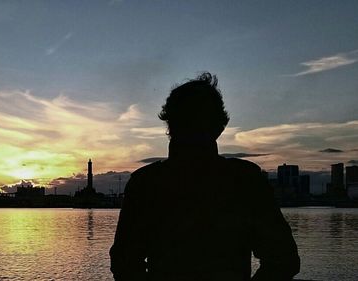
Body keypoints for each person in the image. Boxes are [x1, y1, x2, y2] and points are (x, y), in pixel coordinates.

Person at [110, 72, 300, 281]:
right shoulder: (245, 180)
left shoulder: (145, 183)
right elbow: (283, 259)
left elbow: (125, 263)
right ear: (220, 127)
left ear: (170, 126)